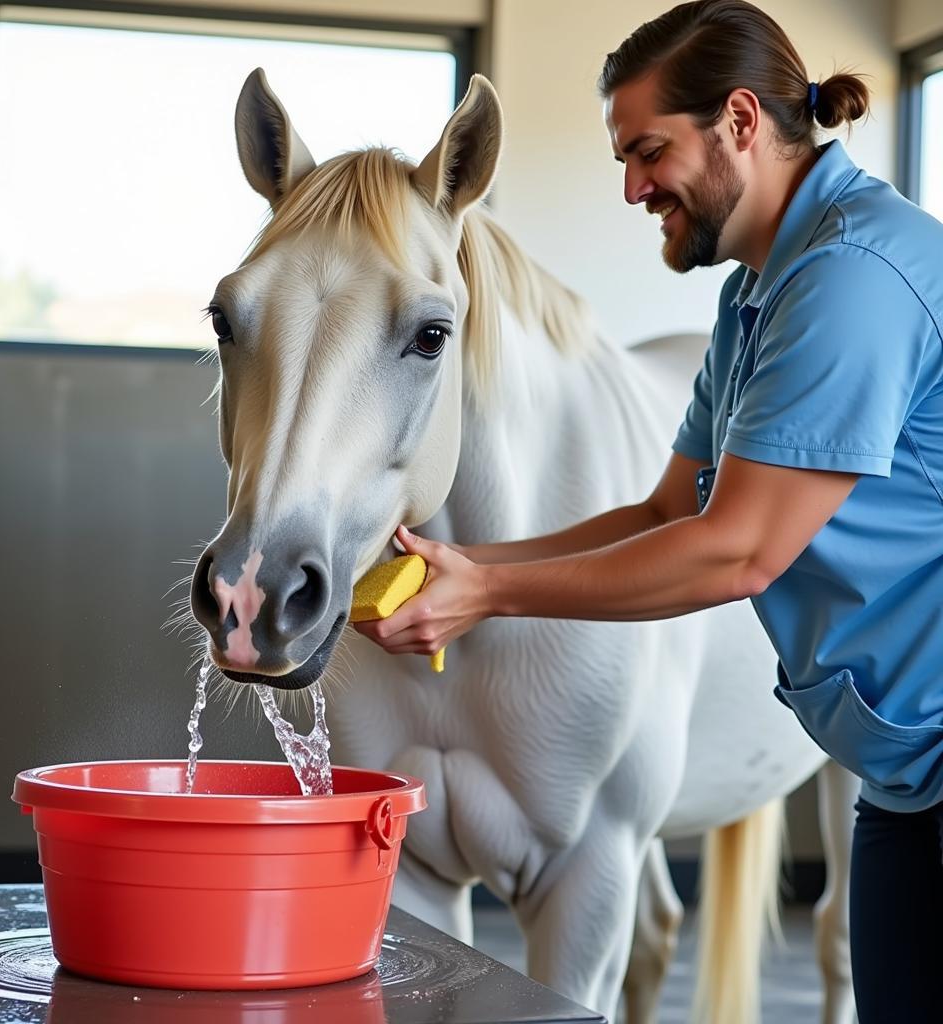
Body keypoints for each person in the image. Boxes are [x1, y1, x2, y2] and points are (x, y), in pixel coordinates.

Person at [354, 1, 943, 1019]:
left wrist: (489, 592)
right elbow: (667, 506)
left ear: (742, 123)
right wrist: (475, 564)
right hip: (904, 775)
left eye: (648, 151)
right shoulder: (757, 292)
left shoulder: (852, 277)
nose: (631, 187)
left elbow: (734, 552)